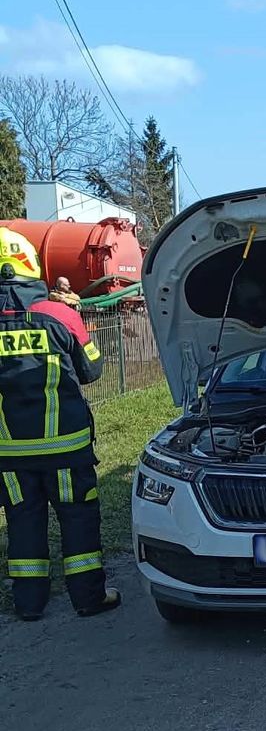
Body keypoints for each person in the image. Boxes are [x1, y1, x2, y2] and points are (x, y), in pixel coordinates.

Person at [0, 227, 119, 621]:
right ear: (30, 266)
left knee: (22, 521)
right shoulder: (59, 314)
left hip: (10, 452)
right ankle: (88, 598)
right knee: (78, 519)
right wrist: (77, 316)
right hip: (65, 446)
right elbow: (93, 370)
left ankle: (29, 604)